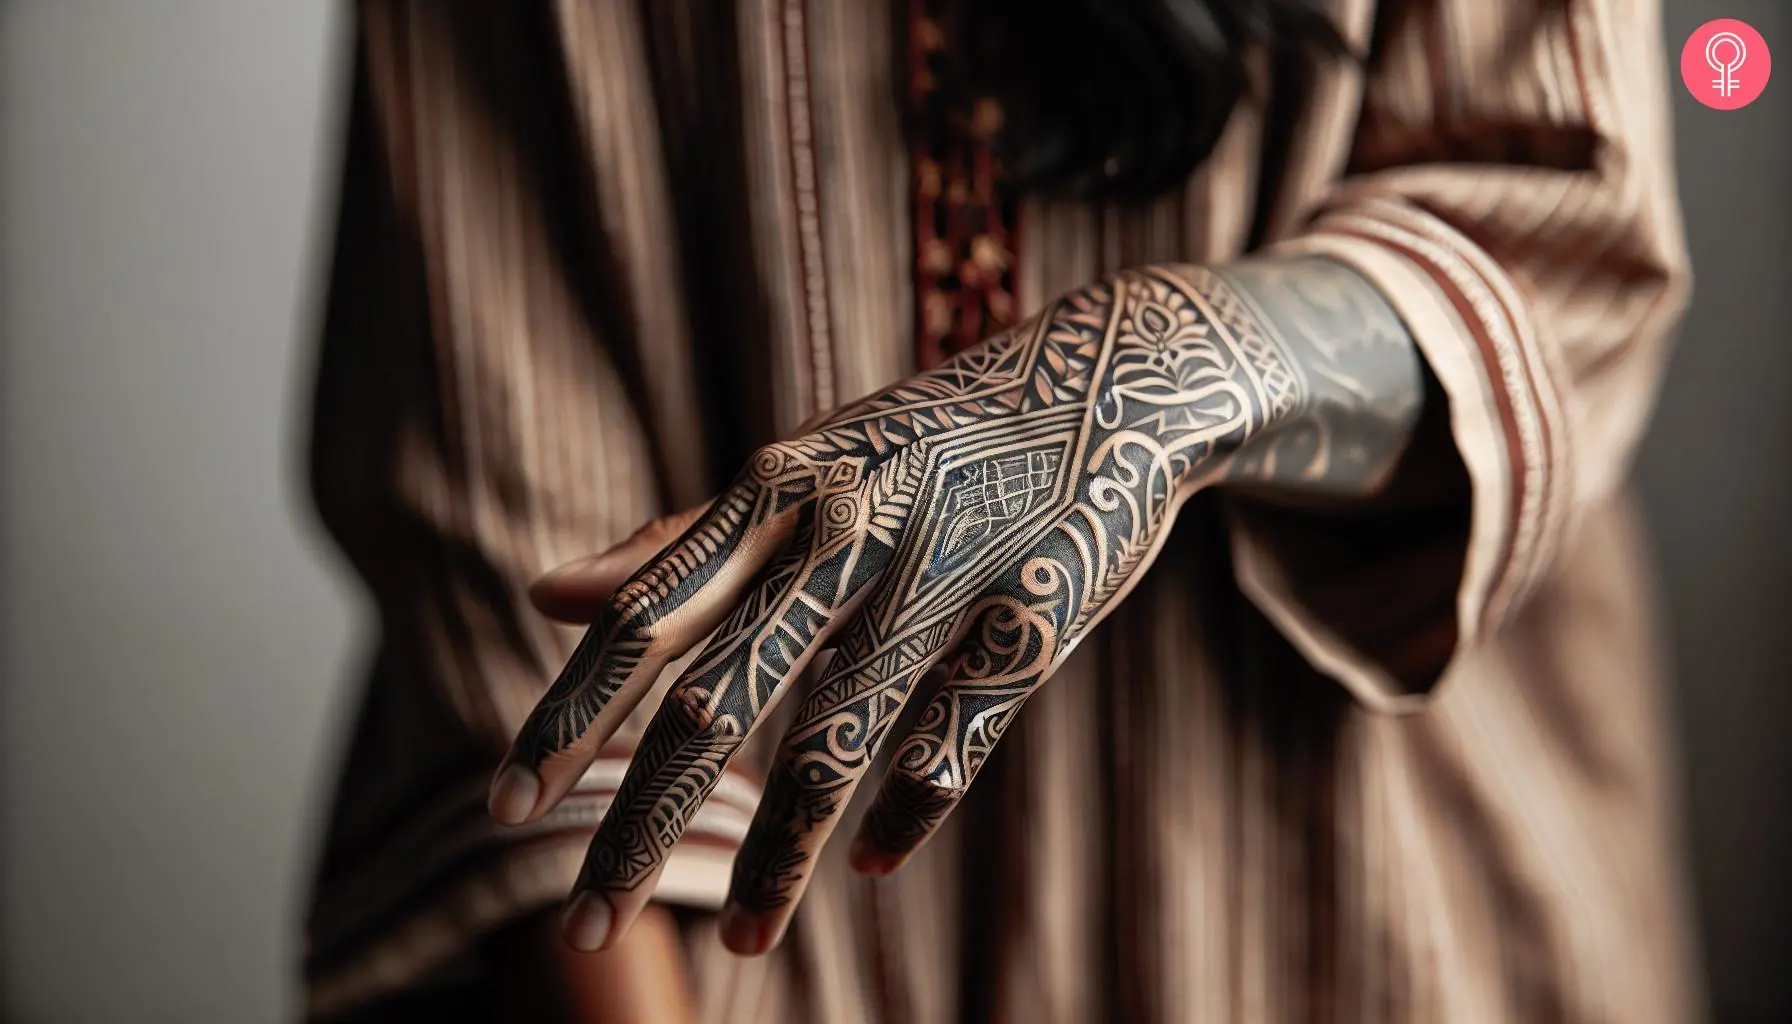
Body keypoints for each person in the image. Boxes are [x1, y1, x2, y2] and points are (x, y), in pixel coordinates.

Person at [302, 0, 1700, 1021]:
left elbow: (1567, 234)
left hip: (1371, 904)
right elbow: (498, 518)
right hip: (732, 963)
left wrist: (1146, 373)